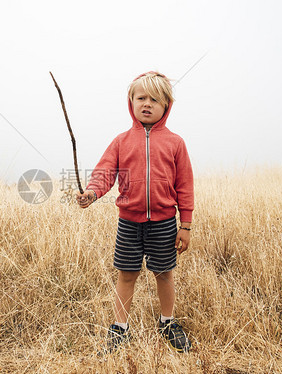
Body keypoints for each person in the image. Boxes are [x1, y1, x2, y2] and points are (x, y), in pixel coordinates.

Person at [76, 71, 194, 353]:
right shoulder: (121, 141)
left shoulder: (175, 143)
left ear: (167, 105)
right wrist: (92, 193)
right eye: (141, 97)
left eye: (155, 99)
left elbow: (185, 185)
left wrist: (185, 225)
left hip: (165, 223)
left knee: (164, 273)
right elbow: (104, 173)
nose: (147, 104)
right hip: (129, 223)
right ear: (131, 102)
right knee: (126, 275)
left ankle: (167, 322)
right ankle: (120, 328)